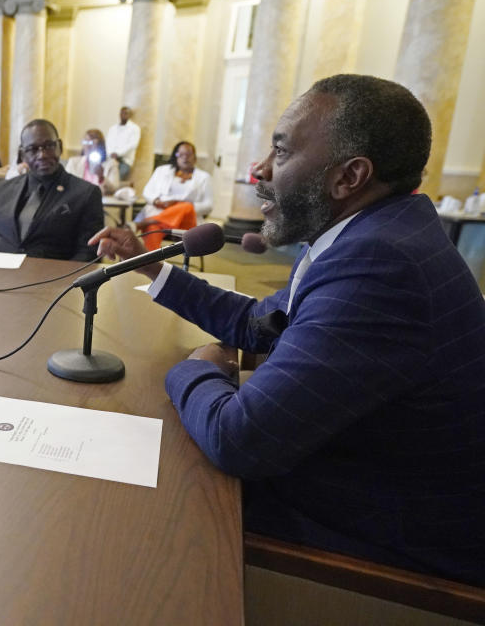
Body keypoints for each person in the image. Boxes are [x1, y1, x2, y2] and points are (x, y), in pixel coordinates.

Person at [89, 74, 485, 587]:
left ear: (349, 177)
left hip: (392, 549)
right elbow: (258, 324)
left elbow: (238, 439)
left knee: (141, 516)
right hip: (362, 486)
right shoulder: (371, 233)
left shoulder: (381, 265)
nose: (258, 169)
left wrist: (194, 370)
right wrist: (151, 267)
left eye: (280, 151)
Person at [0, 119, 103, 261]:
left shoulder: (85, 194)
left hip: (53, 279)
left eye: (49, 146)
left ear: (60, 147)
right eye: (32, 149)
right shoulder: (2, 189)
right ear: (22, 154)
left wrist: (63, 282)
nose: (42, 155)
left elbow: (88, 254)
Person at [134, 141, 212, 249]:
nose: (185, 158)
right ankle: (152, 263)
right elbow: (147, 191)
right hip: (161, 213)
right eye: (181, 154)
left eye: (188, 154)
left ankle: (149, 220)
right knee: (152, 228)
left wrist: (178, 206)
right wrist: (156, 201)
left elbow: (208, 205)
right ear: (175, 156)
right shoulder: (161, 171)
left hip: (186, 222)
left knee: (187, 206)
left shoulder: (204, 177)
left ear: (195, 158)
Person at [65, 129, 120, 195]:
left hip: (100, 202)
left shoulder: (111, 164)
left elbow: (114, 189)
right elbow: (66, 184)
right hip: (78, 200)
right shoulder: (74, 162)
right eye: (85, 142)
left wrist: (101, 178)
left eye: (91, 143)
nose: (88, 146)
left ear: (100, 145)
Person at [106, 106, 141, 180]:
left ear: (130, 115)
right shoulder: (113, 128)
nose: (123, 115)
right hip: (111, 159)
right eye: (122, 113)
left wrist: (118, 153)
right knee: (105, 179)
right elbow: (108, 142)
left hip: (124, 161)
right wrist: (111, 153)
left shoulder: (134, 128)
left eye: (126, 113)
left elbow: (133, 144)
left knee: (116, 180)